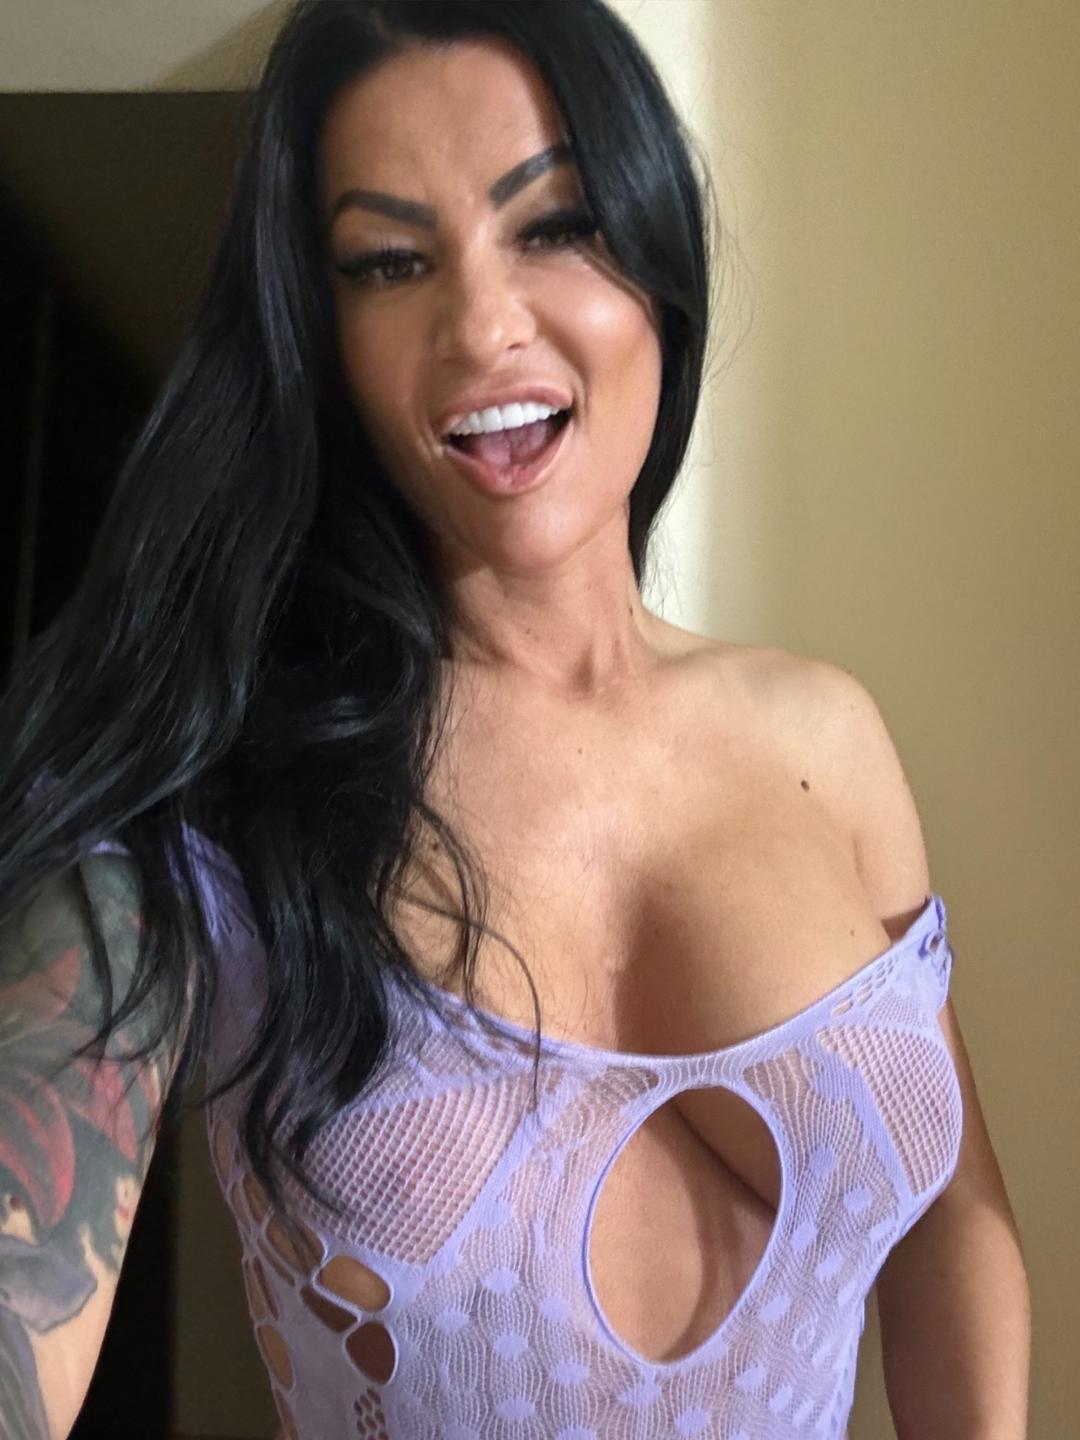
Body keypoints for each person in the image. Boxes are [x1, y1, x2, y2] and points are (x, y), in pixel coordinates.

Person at [0, 1, 1030, 1437]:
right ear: (322, 340)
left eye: (552, 226)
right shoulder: (213, 780)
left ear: (657, 258)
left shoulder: (825, 737)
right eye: (390, 262)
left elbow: (952, 1225)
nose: (483, 325)